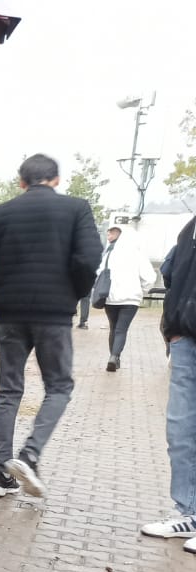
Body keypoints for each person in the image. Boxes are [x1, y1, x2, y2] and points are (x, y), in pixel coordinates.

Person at [0, 154, 102, 498]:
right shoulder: (76, 209)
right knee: (59, 386)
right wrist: (74, 293)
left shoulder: (0, 213)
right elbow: (88, 259)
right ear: (56, 180)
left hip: (10, 314)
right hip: (54, 314)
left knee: (9, 390)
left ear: (22, 182)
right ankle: (29, 455)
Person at [143, 215, 196, 554]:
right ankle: (189, 512)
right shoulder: (190, 228)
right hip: (186, 339)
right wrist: (173, 327)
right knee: (180, 429)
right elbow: (171, 273)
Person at [95, 226, 156, 371]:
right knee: (121, 329)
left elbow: (99, 272)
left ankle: (113, 357)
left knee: (113, 327)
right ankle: (114, 356)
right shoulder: (138, 254)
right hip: (131, 299)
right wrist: (142, 289)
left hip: (110, 298)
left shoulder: (110, 253)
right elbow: (149, 278)